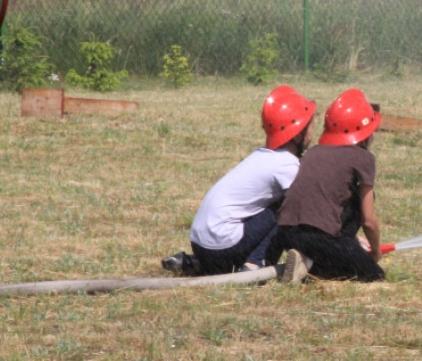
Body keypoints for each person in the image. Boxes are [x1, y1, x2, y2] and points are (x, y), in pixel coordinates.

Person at [162, 85, 317, 276]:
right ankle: (255, 265)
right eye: (311, 124)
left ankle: (194, 263)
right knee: (286, 207)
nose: (313, 130)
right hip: (222, 247)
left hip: (201, 244)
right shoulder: (285, 165)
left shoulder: (264, 156)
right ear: (299, 133)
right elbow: (309, 205)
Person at [267, 88, 386, 284]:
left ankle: (307, 259)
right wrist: (375, 252)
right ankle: (312, 265)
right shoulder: (363, 158)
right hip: (318, 238)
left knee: (351, 203)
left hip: (286, 234)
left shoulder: (314, 151)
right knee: (374, 275)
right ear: (365, 133)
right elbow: (369, 221)